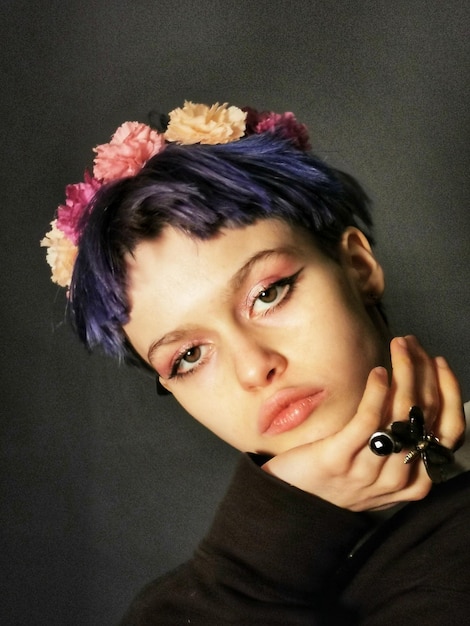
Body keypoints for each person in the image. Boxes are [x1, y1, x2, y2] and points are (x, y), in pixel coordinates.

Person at [42, 101, 469, 624]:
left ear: (358, 267)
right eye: (189, 356)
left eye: (268, 294)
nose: (254, 368)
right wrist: (260, 557)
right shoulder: (228, 586)